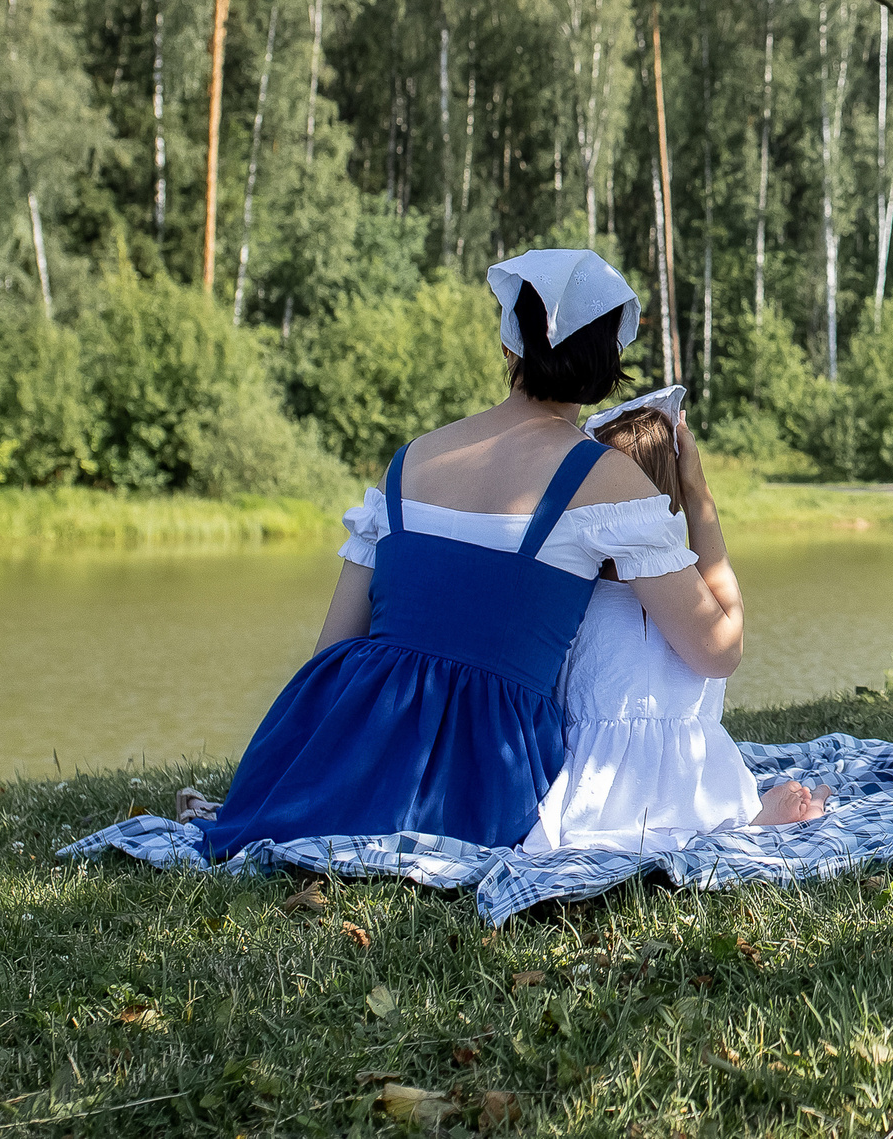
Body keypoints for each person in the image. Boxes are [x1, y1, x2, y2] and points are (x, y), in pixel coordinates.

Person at [190, 249, 745, 857]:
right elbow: (716, 649)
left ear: (512, 349)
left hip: (341, 749)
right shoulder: (605, 479)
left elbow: (335, 649)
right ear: (608, 360)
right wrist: (696, 495)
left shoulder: (414, 457)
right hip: (478, 774)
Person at [523, 399, 828, 852]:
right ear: (673, 499)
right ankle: (757, 818)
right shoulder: (693, 602)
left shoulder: (574, 593)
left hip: (594, 792)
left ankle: (752, 816)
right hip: (696, 789)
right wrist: (699, 493)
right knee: (806, 796)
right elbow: (729, 630)